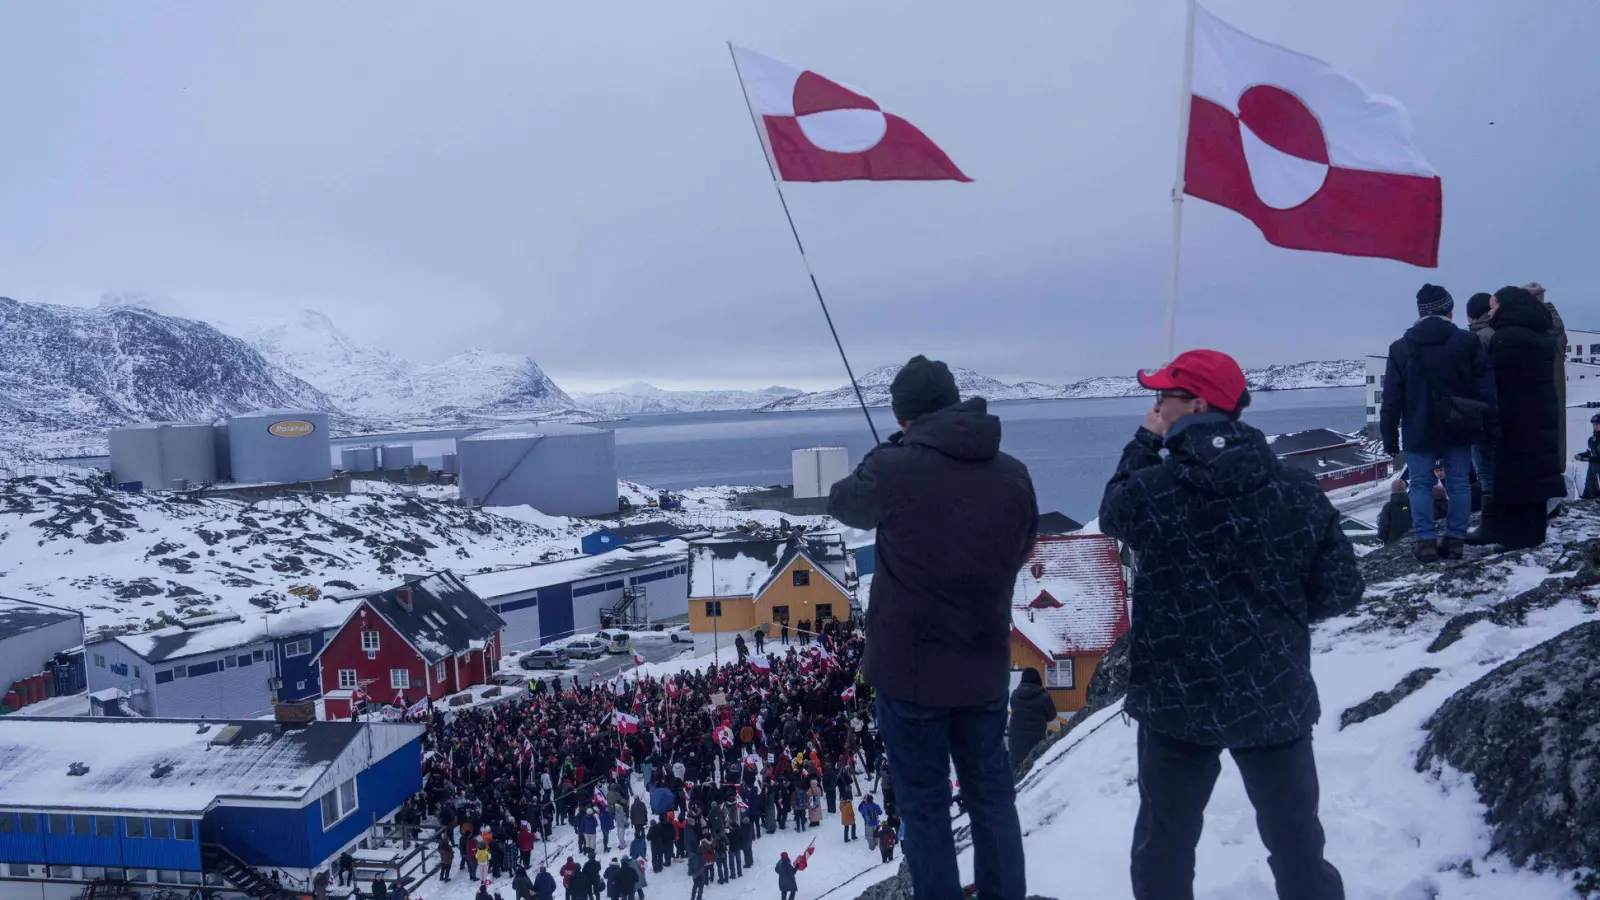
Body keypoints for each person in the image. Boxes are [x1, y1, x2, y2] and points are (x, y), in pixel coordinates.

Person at [1099, 348, 1364, 900]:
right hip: (1274, 692)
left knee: (1164, 848)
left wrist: (1144, 441)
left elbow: (1113, 512)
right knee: (1296, 845)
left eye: (1163, 396)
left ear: (1195, 403)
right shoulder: (1295, 487)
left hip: (1176, 700)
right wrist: (1277, 622)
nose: (1155, 404)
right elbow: (1341, 588)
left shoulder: (1155, 491)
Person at [828, 354, 1038, 900]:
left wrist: (888, 453)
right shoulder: (1013, 474)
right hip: (985, 668)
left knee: (924, 807)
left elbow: (843, 502)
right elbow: (1023, 548)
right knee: (992, 795)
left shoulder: (895, 467)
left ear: (905, 418)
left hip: (910, 676)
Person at [1381, 284, 1497, 561]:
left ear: (1420, 313)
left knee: (1419, 485)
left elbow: (1392, 398)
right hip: (1459, 426)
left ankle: (1425, 542)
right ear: (1450, 311)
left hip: (1418, 429)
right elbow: (1486, 389)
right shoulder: (1467, 342)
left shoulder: (1400, 348)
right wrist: (1490, 425)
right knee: (1459, 484)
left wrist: (1389, 436)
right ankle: (1455, 540)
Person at [1483, 285, 1566, 549]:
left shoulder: (1506, 337)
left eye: (1493, 305)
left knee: (1513, 473)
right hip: (1540, 412)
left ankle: (1512, 536)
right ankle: (1533, 532)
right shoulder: (1540, 335)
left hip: (1515, 415)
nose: (1490, 311)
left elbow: (1498, 382)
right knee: (1535, 474)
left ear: (1507, 306)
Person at [1007, 667, 1058, 771]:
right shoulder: (1044, 697)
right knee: (1034, 768)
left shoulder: (1015, 695)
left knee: (1015, 768)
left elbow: (1013, 709)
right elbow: (1052, 716)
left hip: (1016, 738)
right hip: (1036, 738)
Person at [1375, 480, 1414, 546]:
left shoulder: (1388, 506)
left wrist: (1380, 538)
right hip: (1410, 540)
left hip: (1393, 542)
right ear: (1405, 489)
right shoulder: (1412, 504)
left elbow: (1383, 524)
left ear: (1392, 490)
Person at [1576, 414, 1600, 500]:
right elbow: (1589, 453)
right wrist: (1580, 455)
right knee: (1589, 489)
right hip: (1592, 470)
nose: (1594, 427)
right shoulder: (1591, 439)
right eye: (1593, 424)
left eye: (1597, 424)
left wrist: (1583, 459)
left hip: (1598, 471)